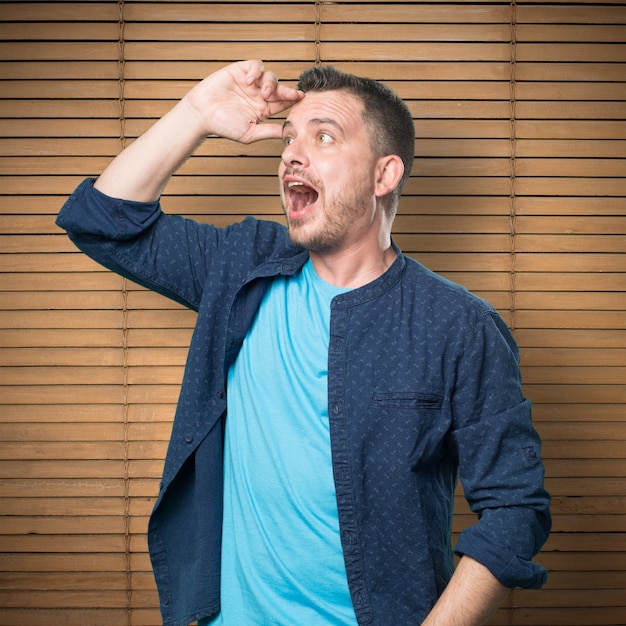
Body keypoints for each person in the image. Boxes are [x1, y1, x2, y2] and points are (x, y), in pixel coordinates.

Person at [56, 60, 551, 626]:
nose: (292, 152)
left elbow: (515, 507)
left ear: (383, 175)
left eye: (323, 136)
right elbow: (100, 221)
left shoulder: (458, 325)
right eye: (289, 138)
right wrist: (195, 114)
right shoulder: (240, 265)